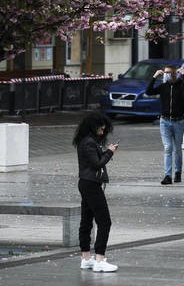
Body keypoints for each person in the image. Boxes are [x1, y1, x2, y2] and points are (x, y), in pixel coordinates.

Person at [73, 112, 119, 273]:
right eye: (101, 127)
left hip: (86, 183)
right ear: (93, 127)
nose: (103, 129)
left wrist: (105, 150)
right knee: (104, 221)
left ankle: (86, 258)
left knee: (86, 220)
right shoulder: (89, 143)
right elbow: (97, 164)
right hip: (91, 184)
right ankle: (100, 258)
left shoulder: (86, 141)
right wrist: (110, 152)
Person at [146, 65, 184, 185]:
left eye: (168, 72)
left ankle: (178, 172)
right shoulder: (163, 86)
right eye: (164, 72)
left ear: (173, 74)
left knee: (177, 149)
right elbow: (148, 91)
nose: (166, 74)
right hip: (165, 121)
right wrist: (154, 77)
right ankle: (168, 176)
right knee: (168, 148)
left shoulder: (181, 85)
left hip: (178, 122)